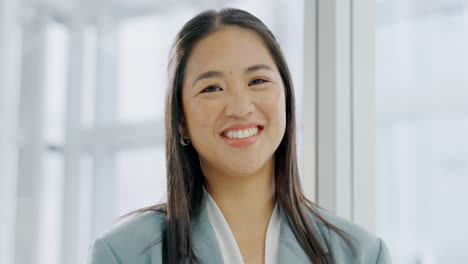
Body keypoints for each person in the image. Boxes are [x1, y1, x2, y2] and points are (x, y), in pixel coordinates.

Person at [87, 8, 391, 264]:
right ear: (181, 122)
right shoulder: (124, 254)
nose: (240, 108)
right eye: (212, 88)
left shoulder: (361, 254)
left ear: (286, 100)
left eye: (257, 80)